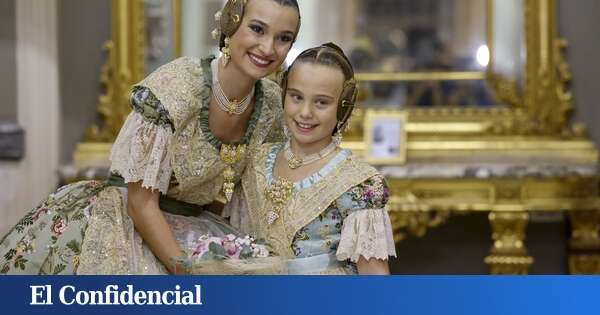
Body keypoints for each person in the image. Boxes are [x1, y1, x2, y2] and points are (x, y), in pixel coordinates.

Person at [0, 0, 301, 275]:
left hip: (197, 226)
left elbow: (235, 193)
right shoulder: (179, 86)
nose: (268, 47)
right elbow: (141, 204)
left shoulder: (272, 104)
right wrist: (188, 274)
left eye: (283, 38)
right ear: (231, 24)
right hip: (129, 220)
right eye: (257, 29)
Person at [226, 43, 397, 275]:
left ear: (343, 107)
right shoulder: (255, 159)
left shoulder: (358, 183)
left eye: (321, 102)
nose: (305, 112)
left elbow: (375, 279)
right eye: (296, 97)